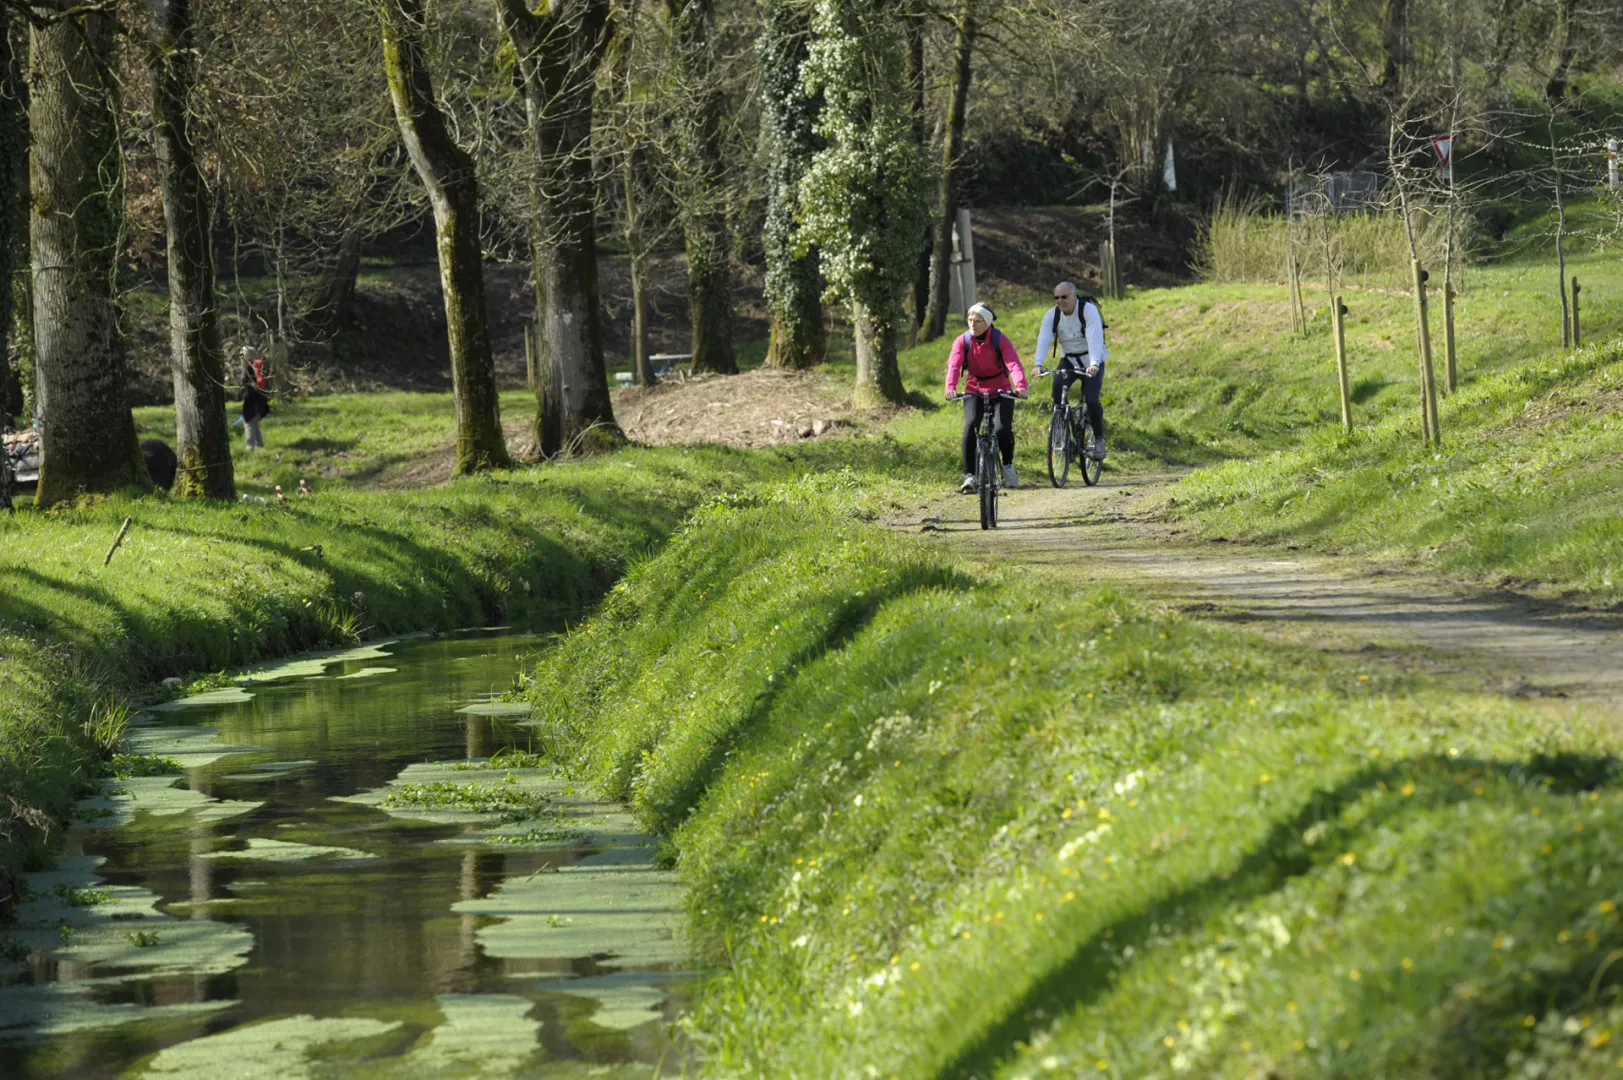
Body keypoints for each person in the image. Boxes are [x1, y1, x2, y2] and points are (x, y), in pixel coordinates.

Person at [945, 302, 1027, 493]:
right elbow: (954, 365)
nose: (972, 324)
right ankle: (970, 476)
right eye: (969, 319)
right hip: (974, 388)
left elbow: (1013, 363)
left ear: (987, 322)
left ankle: (1007, 465)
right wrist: (950, 387)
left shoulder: (999, 339)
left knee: (1002, 429)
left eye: (977, 320)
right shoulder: (962, 341)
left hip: (1000, 389)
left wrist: (1020, 386)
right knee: (971, 425)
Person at [1033, 281, 1108, 460]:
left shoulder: (1088, 311)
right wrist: (1038, 364)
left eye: (1064, 297)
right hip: (1069, 359)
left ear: (1074, 296)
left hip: (1091, 358)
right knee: (1057, 390)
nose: (1060, 301)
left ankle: (1098, 439)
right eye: (1056, 297)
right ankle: (1061, 436)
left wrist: (1095, 364)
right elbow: (1044, 339)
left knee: (1091, 400)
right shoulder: (1052, 315)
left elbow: (1094, 337)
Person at [239, 347, 271, 450]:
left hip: (251, 400)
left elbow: (245, 383)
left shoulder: (248, 369)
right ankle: (260, 444)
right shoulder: (258, 367)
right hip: (260, 399)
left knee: (248, 422)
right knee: (254, 422)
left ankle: (250, 446)